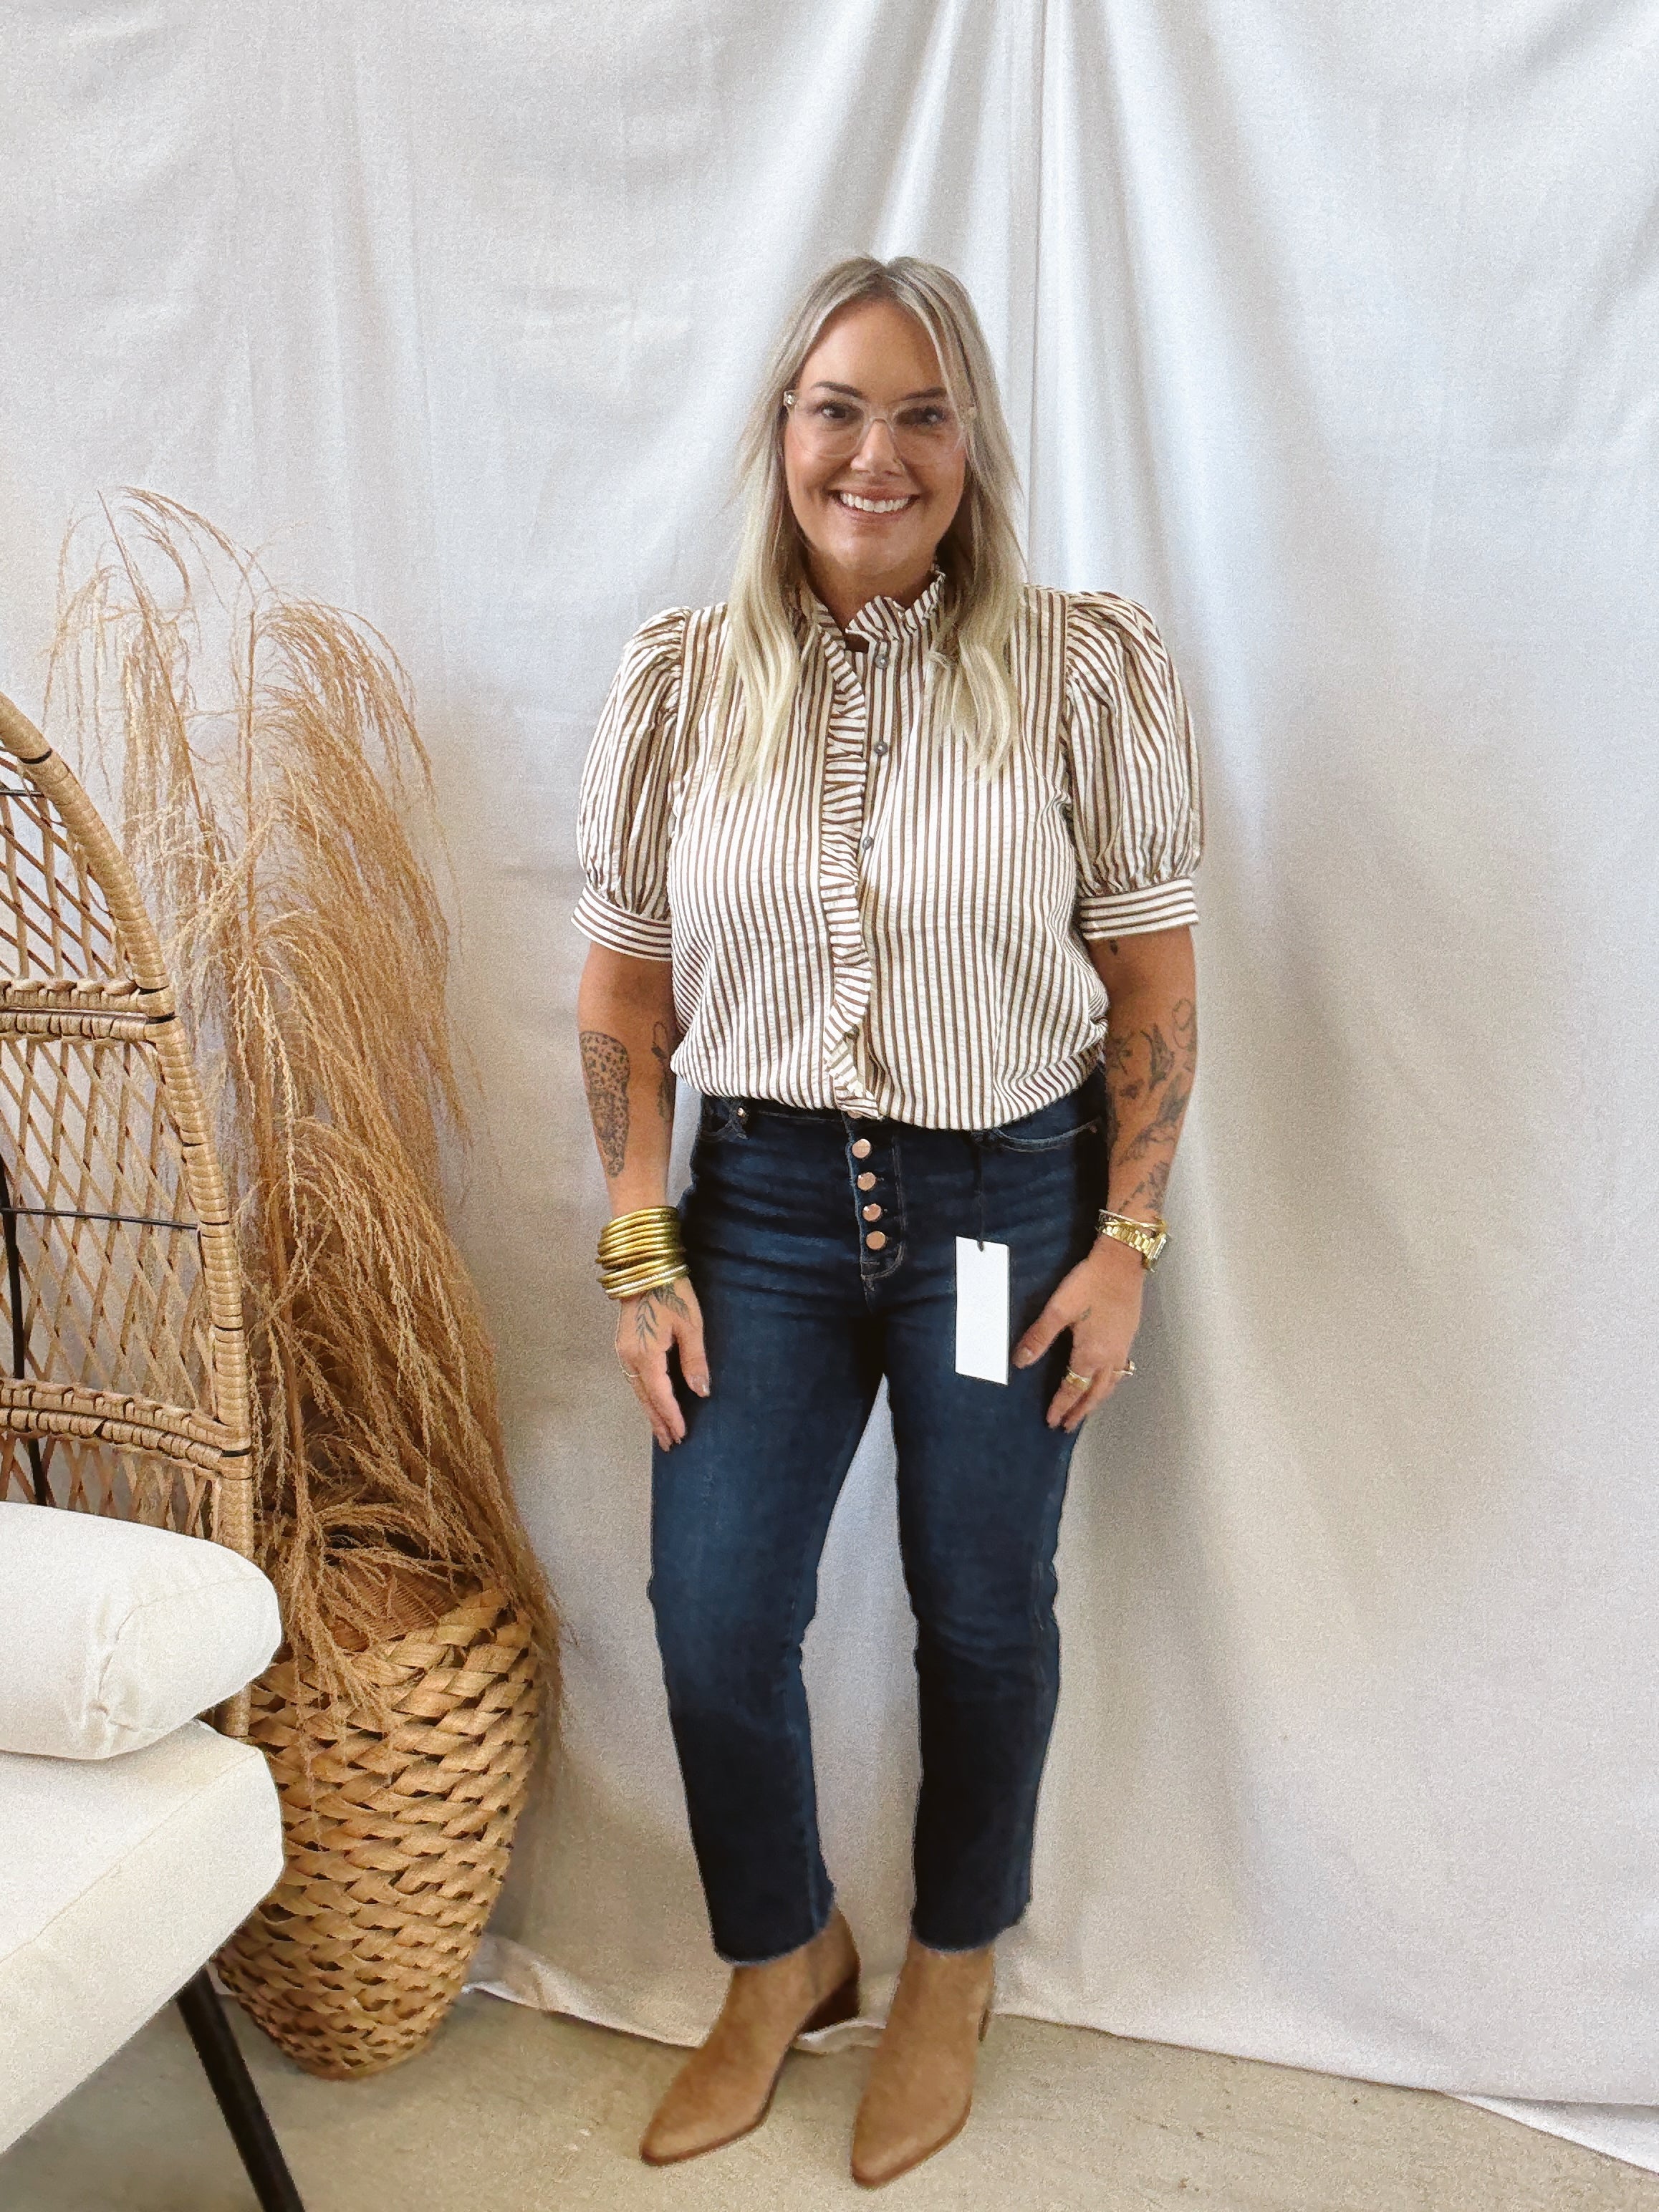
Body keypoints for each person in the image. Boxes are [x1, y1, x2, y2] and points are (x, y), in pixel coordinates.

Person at [574, 254, 1201, 2188]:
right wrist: (638, 1244)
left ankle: (948, 1961)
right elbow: (622, 1003)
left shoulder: (1078, 669)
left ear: (971, 446)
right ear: (780, 434)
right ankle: (781, 1957)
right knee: (715, 1615)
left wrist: (1126, 1242)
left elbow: (1153, 995)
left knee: (981, 1606)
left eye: (922, 413)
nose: (877, 452)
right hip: (754, 1215)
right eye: (838, 407)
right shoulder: (681, 682)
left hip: (993, 1215)